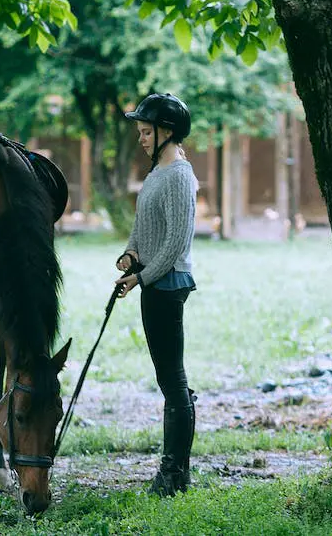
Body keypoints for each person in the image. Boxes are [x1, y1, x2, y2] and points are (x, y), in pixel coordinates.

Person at [114, 92, 199, 497]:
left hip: (168, 284)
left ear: (167, 131)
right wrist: (131, 254)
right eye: (141, 132)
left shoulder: (180, 176)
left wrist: (140, 279)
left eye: (147, 132)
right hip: (153, 281)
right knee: (170, 379)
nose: (142, 139)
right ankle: (177, 471)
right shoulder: (155, 174)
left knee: (173, 380)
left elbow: (174, 245)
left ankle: (172, 474)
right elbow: (142, 227)